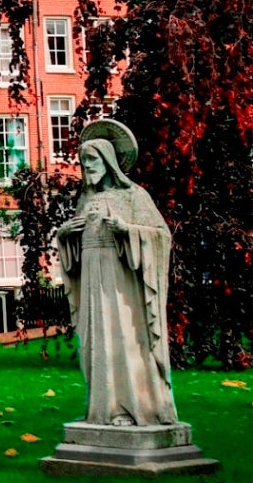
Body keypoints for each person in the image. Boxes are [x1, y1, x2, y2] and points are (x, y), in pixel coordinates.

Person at [56, 122, 177, 427]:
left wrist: (128, 231)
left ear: (108, 161)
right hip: (92, 282)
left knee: (124, 338)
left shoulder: (134, 196)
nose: (87, 168)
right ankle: (103, 408)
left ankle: (134, 406)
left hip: (122, 285)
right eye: (83, 163)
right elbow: (75, 248)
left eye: (92, 161)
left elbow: (161, 236)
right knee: (95, 341)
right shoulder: (85, 199)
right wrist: (65, 234)